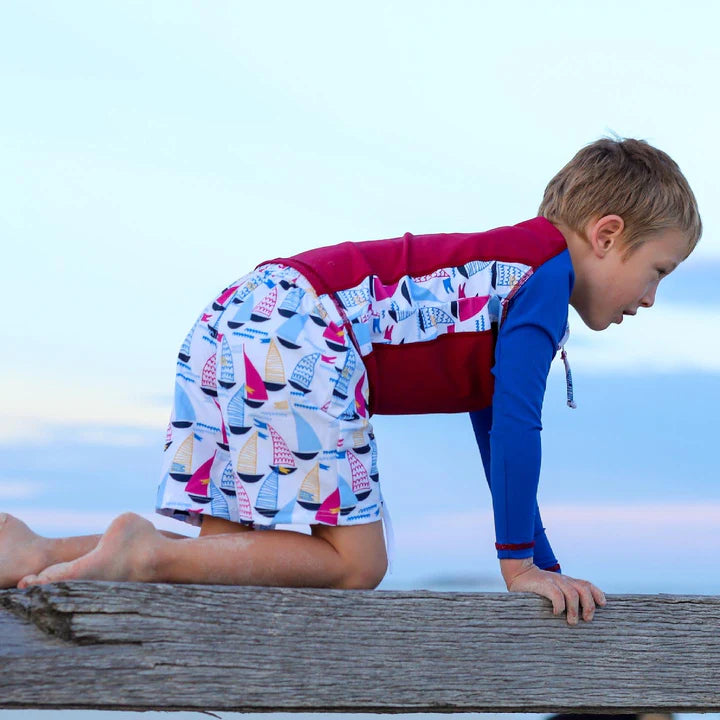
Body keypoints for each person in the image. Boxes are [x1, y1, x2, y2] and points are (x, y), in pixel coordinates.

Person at [0, 136, 701, 627]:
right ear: (606, 235)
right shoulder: (540, 278)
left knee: (237, 559)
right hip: (303, 328)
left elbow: (497, 450)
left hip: (240, 316)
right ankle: (142, 549)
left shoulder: (509, 274)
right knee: (355, 565)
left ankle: (35, 551)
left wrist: (540, 563)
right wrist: (520, 568)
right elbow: (519, 432)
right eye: (659, 271)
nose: (650, 297)